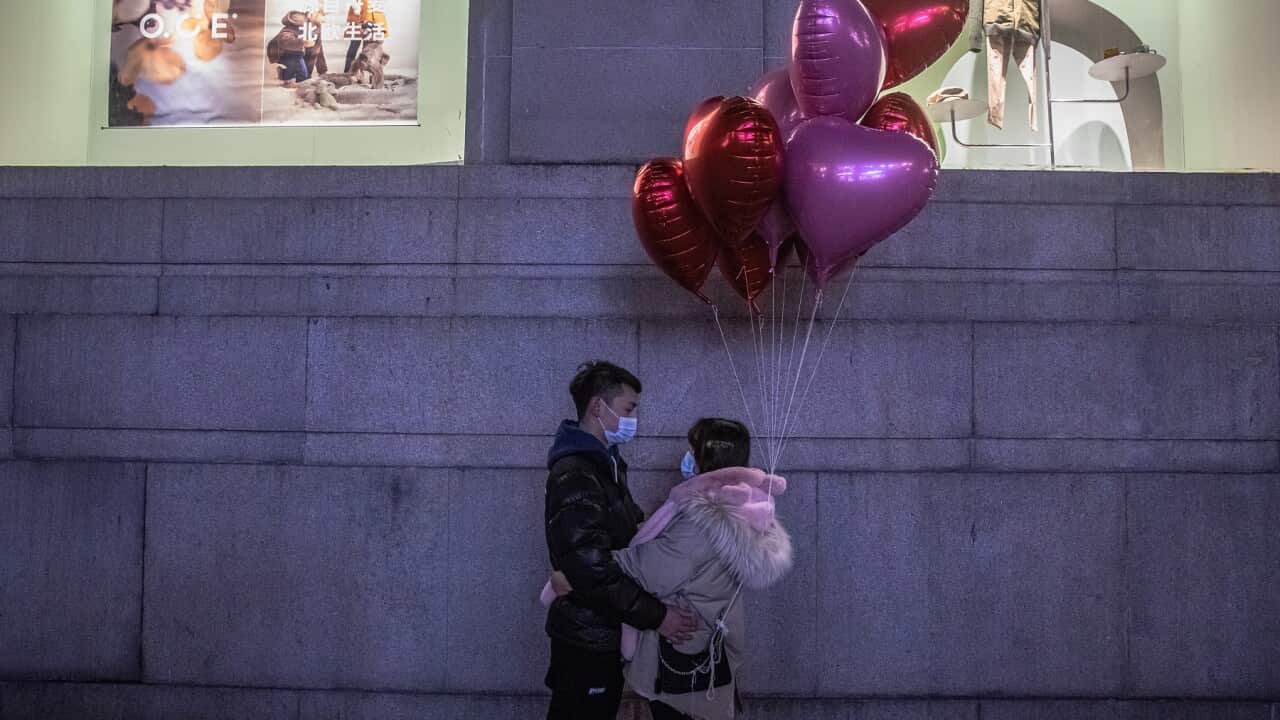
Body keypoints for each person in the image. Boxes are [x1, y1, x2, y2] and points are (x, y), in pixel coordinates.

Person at [552, 418, 793, 720]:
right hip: (707, 655)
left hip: (684, 666)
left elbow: (648, 570)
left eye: (692, 450)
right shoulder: (744, 510)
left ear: (706, 459)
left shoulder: (703, 521)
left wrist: (578, 572)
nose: (686, 457)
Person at [544, 361, 698, 720]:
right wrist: (659, 617)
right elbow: (591, 569)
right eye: (629, 408)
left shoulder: (605, 466)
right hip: (586, 639)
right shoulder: (578, 473)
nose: (633, 419)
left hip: (600, 634)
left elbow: (625, 541)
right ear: (599, 407)